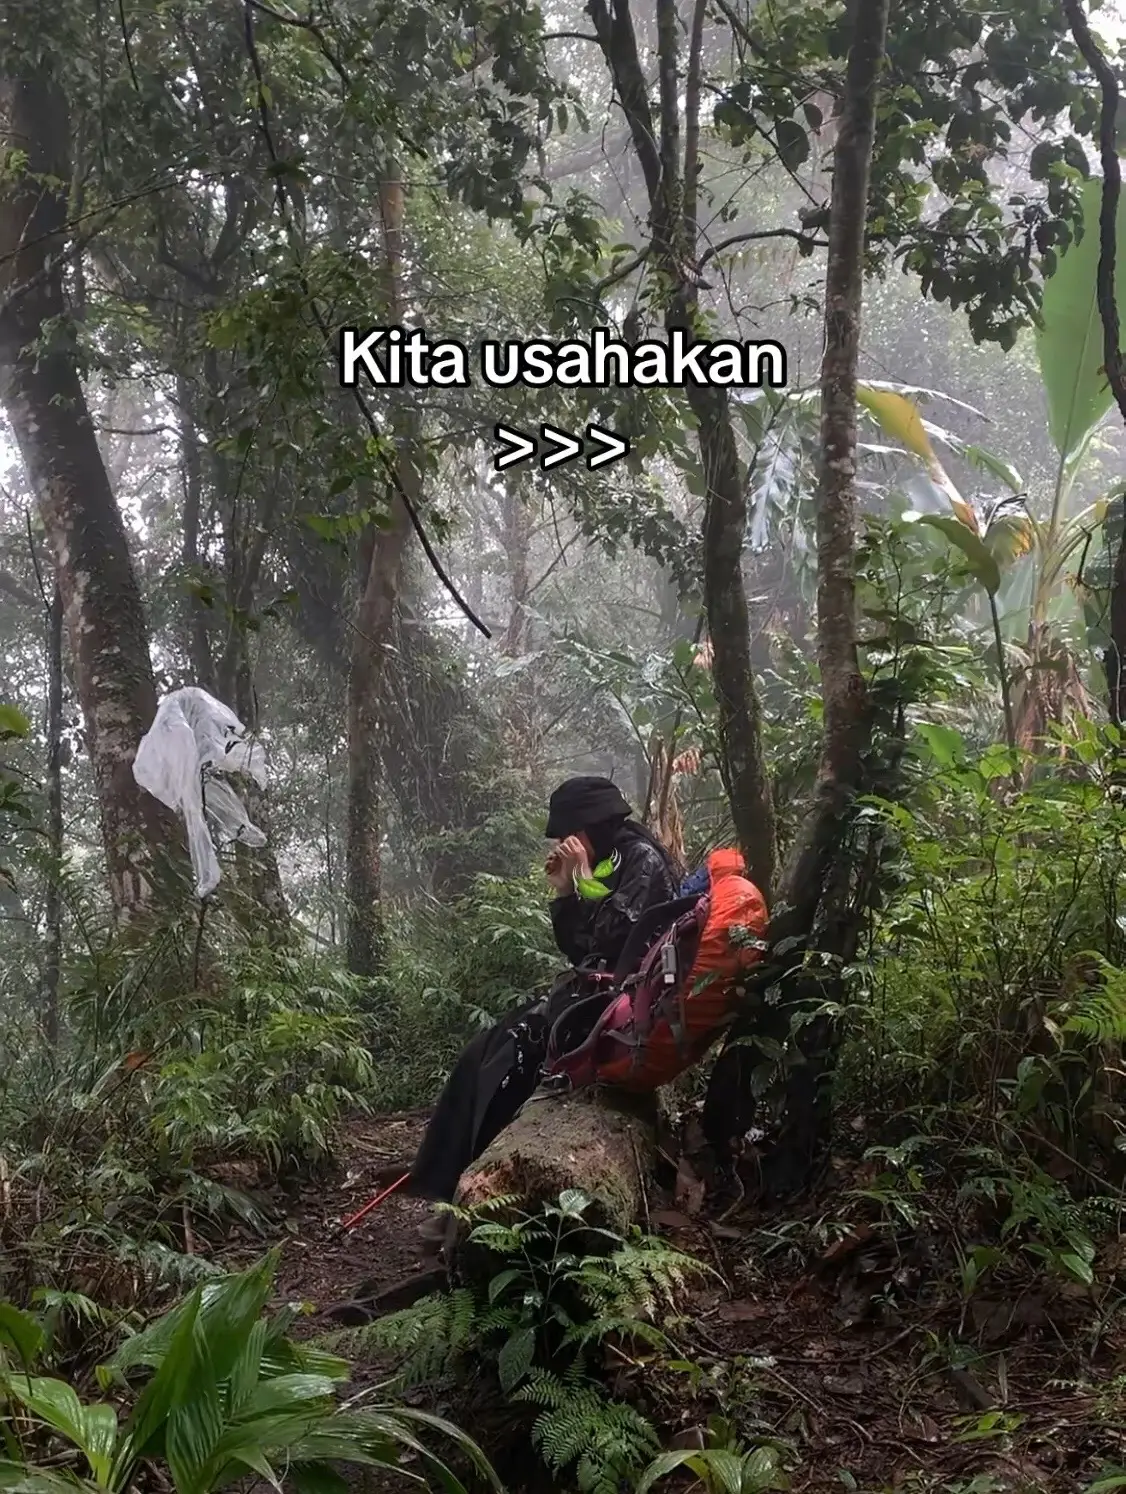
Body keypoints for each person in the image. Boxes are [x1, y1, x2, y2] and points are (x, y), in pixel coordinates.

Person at [406, 776, 679, 1230]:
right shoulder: (608, 859)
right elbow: (579, 948)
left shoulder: (640, 859)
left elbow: (618, 935)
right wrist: (565, 890)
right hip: (587, 995)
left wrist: (585, 878)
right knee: (481, 1052)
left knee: (511, 1063)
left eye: (568, 833)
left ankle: (473, 1201)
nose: (563, 844)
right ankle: (445, 1189)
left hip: (622, 1005)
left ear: (591, 825)